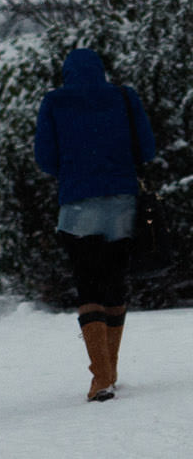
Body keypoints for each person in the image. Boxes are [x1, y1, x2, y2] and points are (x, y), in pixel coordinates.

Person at [34, 48, 157, 402]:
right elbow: (146, 150)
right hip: (122, 198)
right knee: (115, 279)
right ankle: (111, 370)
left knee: (88, 283)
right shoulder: (123, 96)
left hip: (77, 202)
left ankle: (100, 376)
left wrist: (73, 172)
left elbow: (45, 157)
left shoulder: (55, 102)